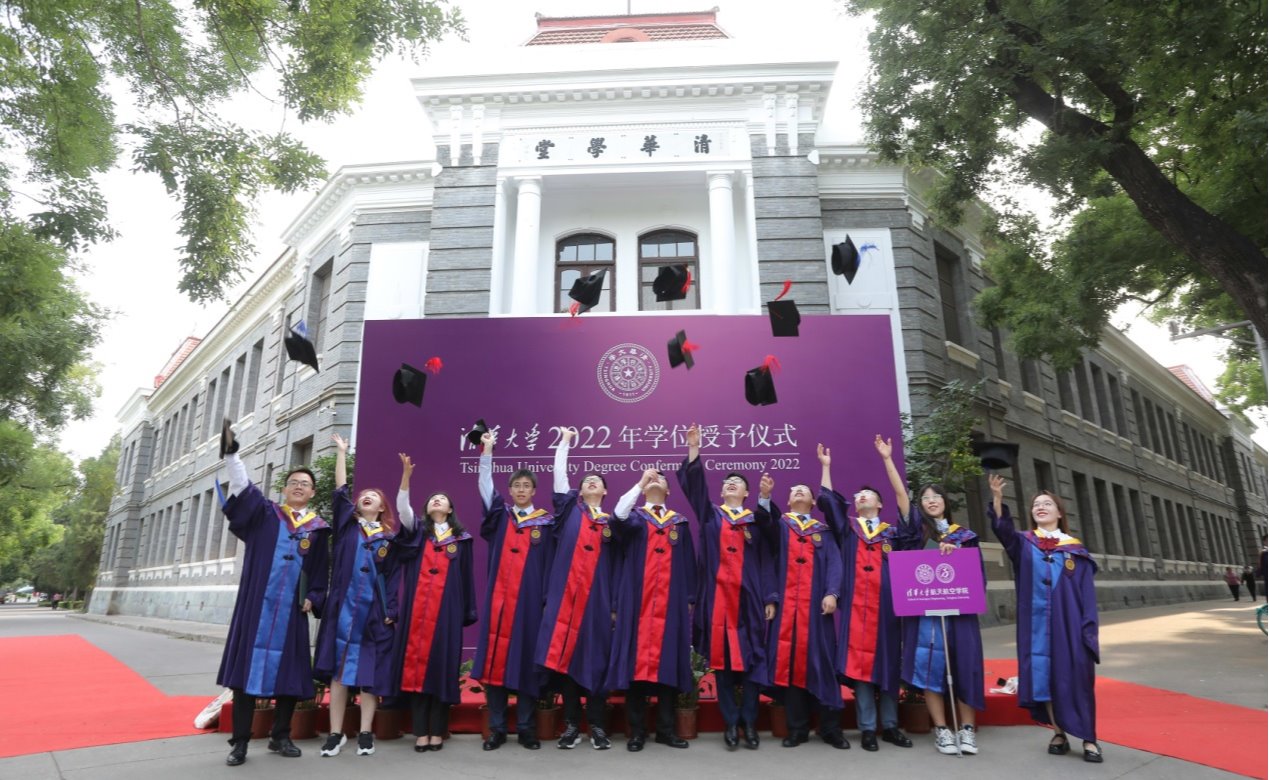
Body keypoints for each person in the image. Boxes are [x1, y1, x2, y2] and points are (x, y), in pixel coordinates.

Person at [218, 425, 331, 767]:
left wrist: (314, 596)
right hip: (257, 608)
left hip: (291, 610)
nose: (299, 486)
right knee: (245, 675)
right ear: (285, 489)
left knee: (289, 675)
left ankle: (280, 736)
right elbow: (242, 487)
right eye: (294, 482)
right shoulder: (266, 515)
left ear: (312, 493)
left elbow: (320, 569)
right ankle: (240, 742)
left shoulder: (318, 529)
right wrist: (232, 454)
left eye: (305, 484)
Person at [875, 435, 984, 755]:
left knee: (964, 667)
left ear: (945, 502)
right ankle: (942, 730)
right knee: (930, 668)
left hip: (959, 614)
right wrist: (887, 459)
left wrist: (956, 556)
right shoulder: (916, 532)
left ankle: (966, 729)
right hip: (925, 615)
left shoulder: (965, 536)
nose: (931, 500)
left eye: (936, 496)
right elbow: (900, 496)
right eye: (925, 498)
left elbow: (977, 576)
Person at [988, 474, 1102, 763]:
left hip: (1070, 626)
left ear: (1059, 512)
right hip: (1036, 627)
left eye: (1047, 503)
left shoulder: (1076, 550)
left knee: (1076, 679)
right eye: (1036, 504)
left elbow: (1087, 597)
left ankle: (1089, 738)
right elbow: (1002, 529)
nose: (1040, 507)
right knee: (1044, 677)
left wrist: (1088, 633)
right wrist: (998, 498)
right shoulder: (1024, 544)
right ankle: (1058, 732)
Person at [314, 436, 412, 758]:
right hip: (343, 611)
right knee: (339, 674)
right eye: (363, 496)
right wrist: (342, 453)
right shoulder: (347, 528)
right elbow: (340, 490)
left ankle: (366, 732)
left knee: (369, 674)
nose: (365, 497)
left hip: (373, 614)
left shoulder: (388, 539)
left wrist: (391, 610)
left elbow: (392, 578)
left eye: (373, 496)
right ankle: (335, 734)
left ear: (382, 507)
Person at [677, 423, 771, 750]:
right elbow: (696, 490)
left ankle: (750, 722)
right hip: (717, 602)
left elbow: (768, 560)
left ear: (746, 494)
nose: (731, 484)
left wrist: (770, 597)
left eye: (738, 483)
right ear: (721, 493)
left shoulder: (756, 522)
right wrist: (694, 449)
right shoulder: (710, 517)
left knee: (753, 662)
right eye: (727, 482)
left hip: (749, 602)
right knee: (723, 664)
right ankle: (731, 723)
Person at [819, 454, 916, 752]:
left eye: (868, 494)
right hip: (856, 612)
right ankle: (868, 729)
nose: (861, 496)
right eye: (858, 495)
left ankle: (891, 726)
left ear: (880, 503)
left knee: (888, 666)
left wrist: (887, 459)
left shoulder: (892, 533)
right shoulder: (848, 529)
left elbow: (904, 500)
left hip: (887, 611)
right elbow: (828, 500)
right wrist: (826, 466)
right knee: (860, 669)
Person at [755, 444, 849, 749]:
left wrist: (832, 593)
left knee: (823, 664)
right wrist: (765, 496)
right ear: (787, 500)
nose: (798, 492)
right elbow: (765, 529)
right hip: (787, 611)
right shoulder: (781, 526)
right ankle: (797, 728)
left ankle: (830, 728)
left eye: (804, 491)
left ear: (812, 501)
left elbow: (835, 564)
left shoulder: (823, 531)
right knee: (791, 665)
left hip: (816, 611)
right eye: (793, 490)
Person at [535, 427, 620, 750]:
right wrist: (565, 443)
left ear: (605, 491)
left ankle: (596, 725)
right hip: (566, 600)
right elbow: (560, 478)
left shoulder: (613, 522)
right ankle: (571, 725)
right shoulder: (570, 511)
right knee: (567, 660)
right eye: (586, 481)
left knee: (596, 660)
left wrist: (614, 605)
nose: (591, 481)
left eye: (597, 480)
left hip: (597, 602)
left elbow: (619, 568)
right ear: (579, 492)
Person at [472, 430, 555, 751]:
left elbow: (551, 567)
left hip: (530, 607)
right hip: (500, 605)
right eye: (516, 485)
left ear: (534, 491)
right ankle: (496, 729)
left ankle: (525, 728)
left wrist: (546, 603)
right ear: (509, 491)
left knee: (527, 665)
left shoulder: (545, 524)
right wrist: (487, 452)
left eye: (526, 486)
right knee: (496, 664)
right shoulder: (500, 517)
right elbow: (485, 487)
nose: (521, 490)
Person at [607, 468, 696, 752]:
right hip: (637, 603)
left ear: (669, 491)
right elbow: (617, 516)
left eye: (661, 479)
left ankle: (666, 731)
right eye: (651, 480)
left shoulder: (679, 523)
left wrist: (689, 598)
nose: (655, 480)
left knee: (668, 665)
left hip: (670, 604)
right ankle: (637, 732)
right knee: (636, 667)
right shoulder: (634, 519)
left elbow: (689, 563)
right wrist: (639, 483)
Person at [393, 485, 477, 752]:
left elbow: (466, 577)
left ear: (450, 509)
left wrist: (466, 610)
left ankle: (438, 730)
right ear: (426, 509)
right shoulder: (417, 533)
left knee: (442, 667)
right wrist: (406, 482)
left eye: (442, 499)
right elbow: (403, 510)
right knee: (417, 667)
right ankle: (420, 731)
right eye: (432, 499)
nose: (436, 501)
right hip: (419, 612)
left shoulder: (461, 539)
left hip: (447, 612)